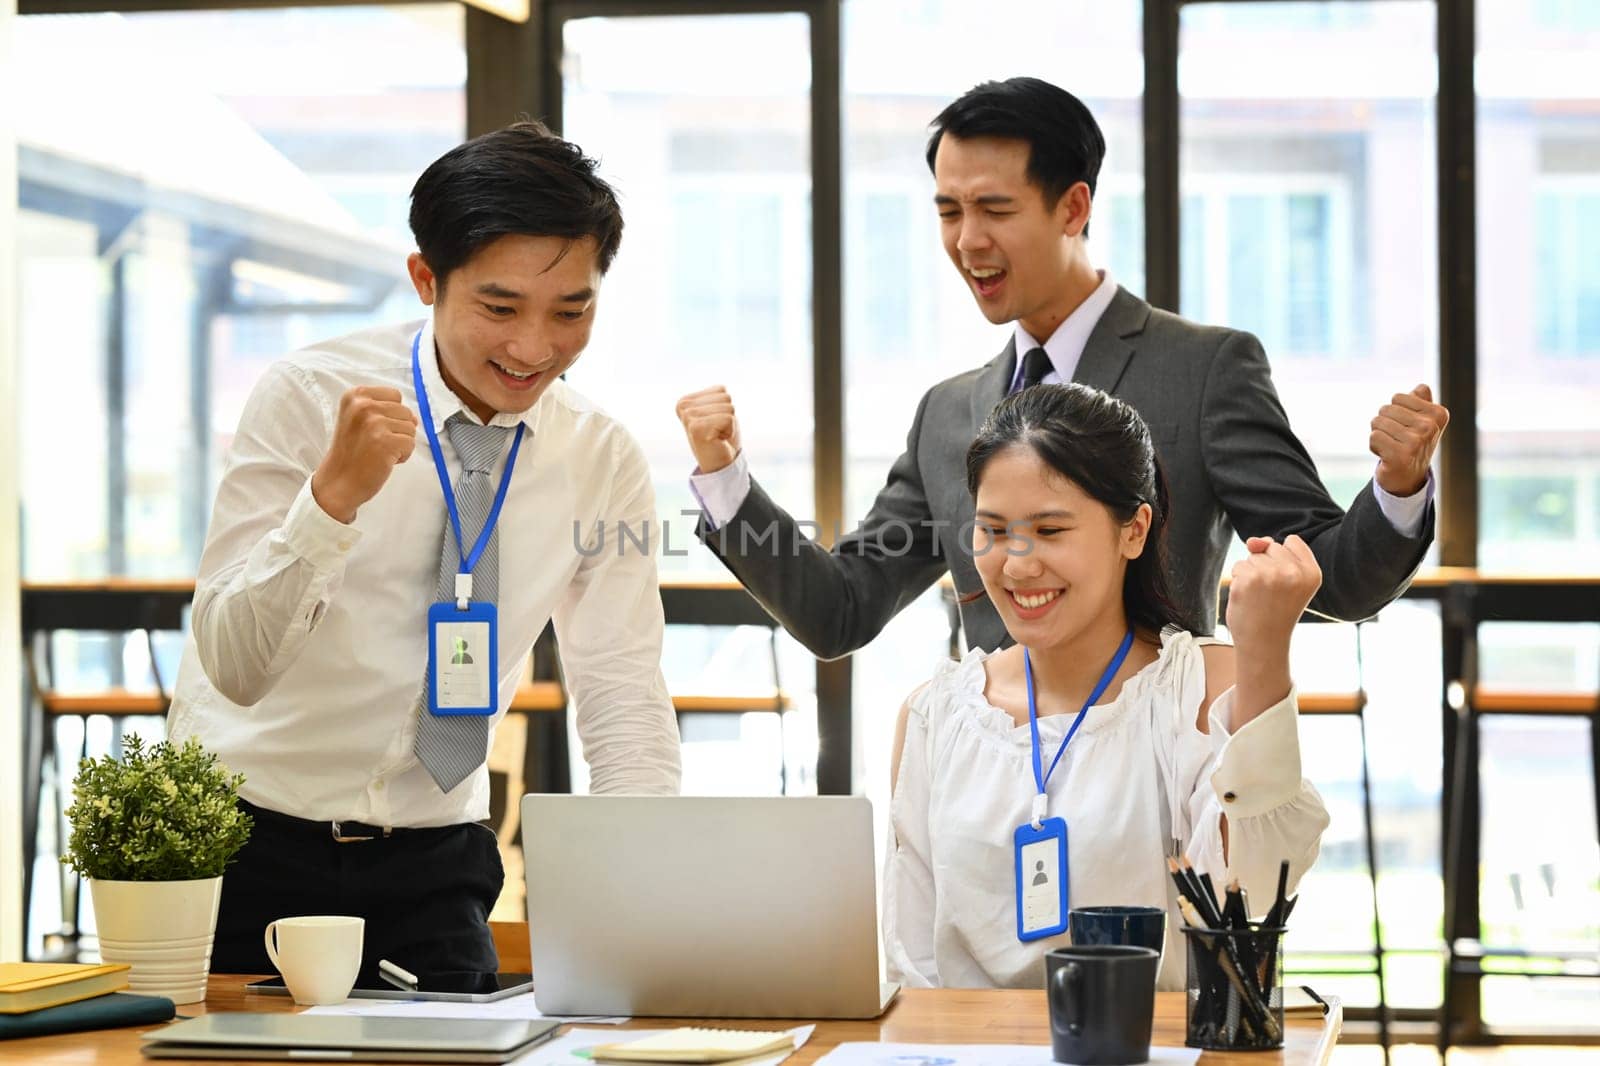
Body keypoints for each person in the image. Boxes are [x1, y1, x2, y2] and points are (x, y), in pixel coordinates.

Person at [676, 76, 1449, 656]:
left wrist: (1398, 487)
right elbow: (839, 609)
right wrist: (725, 480)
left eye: (995, 209)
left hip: (1154, 784)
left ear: (1074, 208)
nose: (967, 240)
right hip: (988, 787)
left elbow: (1334, 580)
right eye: (949, 211)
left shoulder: (1206, 369)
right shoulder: (948, 413)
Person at [168, 121, 681, 984]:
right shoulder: (307, 398)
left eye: (572, 310)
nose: (533, 348)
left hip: (438, 853)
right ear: (425, 279)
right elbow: (234, 663)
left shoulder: (600, 457)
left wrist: (648, 897)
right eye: (499, 306)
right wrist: (330, 502)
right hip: (247, 841)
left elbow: (623, 688)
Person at [882, 382, 1330, 991]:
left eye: (1049, 530)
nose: (1016, 564)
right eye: (992, 530)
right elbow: (910, 962)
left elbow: (1251, 894)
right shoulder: (935, 716)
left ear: (1134, 530)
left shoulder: (1197, 689)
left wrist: (1265, 652)